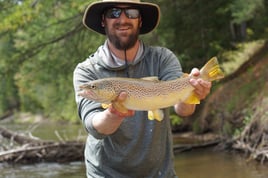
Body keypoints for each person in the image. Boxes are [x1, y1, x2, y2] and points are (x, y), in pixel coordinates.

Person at [73, 0, 211, 177]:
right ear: (103, 21)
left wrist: (194, 91)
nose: (123, 19)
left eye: (131, 13)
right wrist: (115, 113)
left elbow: (183, 109)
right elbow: (94, 126)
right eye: (114, 13)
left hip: (160, 173)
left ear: (140, 20)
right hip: (106, 173)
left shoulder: (162, 58)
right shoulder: (87, 70)